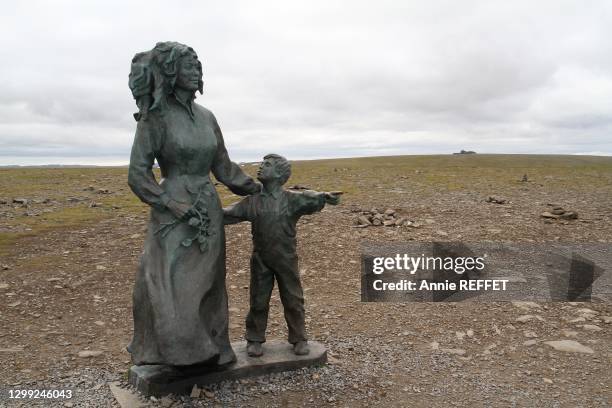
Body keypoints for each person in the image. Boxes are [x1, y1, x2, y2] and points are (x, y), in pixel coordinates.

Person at [126, 42, 260, 367]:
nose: (196, 69)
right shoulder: (154, 118)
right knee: (170, 283)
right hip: (172, 214)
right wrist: (169, 203)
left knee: (210, 282)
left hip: (207, 210)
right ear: (171, 71)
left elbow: (224, 167)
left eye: (198, 64)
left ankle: (214, 348)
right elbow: (137, 174)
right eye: (188, 64)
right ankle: (173, 352)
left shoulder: (207, 117)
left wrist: (258, 188)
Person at [223, 154, 341, 357]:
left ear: (279, 174)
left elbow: (311, 197)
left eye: (266, 165)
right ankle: (254, 338)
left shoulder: (291, 199)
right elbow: (226, 214)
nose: (260, 168)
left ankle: (299, 338)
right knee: (258, 300)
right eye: (261, 164)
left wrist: (325, 197)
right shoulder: (252, 202)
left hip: (286, 259)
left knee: (293, 299)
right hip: (260, 259)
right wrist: (204, 213)